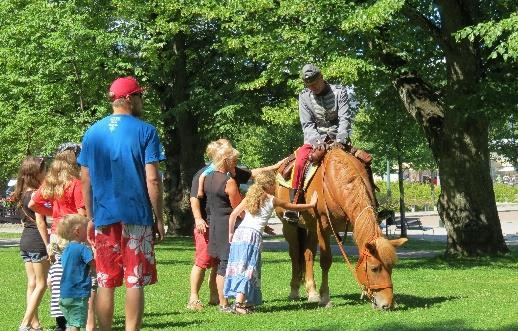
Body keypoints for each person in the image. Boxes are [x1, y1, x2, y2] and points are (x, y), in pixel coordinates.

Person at [77, 76, 165, 330]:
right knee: (134, 280)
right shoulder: (146, 131)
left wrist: (91, 216)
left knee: (105, 279)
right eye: (139, 95)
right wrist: (158, 218)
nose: (141, 101)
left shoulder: (93, 132)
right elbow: (153, 179)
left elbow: (85, 179)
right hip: (136, 215)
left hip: (105, 217)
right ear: (128, 98)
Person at [187, 139, 281, 311]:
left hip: (213, 223)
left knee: (218, 263)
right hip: (220, 225)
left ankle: (218, 298)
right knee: (219, 263)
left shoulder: (207, 177)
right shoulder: (227, 181)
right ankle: (217, 302)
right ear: (225, 160)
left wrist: (275, 166)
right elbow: (238, 208)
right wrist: (254, 222)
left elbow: (251, 173)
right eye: (234, 160)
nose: (236, 164)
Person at [224, 171, 317, 314]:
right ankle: (238, 305)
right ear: (268, 185)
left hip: (240, 234)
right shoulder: (271, 199)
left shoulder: (250, 197)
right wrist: (311, 204)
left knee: (239, 267)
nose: (276, 186)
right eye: (274, 184)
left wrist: (231, 233)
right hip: (252, 236)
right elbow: (291, 206)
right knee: (248, 269)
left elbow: (233, 215)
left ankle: (245, 302)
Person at [29, 143, 97, 331]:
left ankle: (62, 318)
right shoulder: (75, 183)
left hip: (56, 235)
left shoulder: (52, 182)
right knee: (80, 276)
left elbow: (34, 203)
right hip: (73, 234)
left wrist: (55, 216)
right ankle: (77, 319)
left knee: (59, 276)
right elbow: (82, 213)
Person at [287, 63, 358, 216]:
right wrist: (318, 144)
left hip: (338, 138)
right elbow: (307, 124)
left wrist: (340, 139)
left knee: (363, 162)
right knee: (299, 162)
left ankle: (373, 205)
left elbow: (344, 118)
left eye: (315, 83)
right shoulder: (304, 97)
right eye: (309, 85)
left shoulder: (340, 92)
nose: (313, 87)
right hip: (315, 140)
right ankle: (294, 206)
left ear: (322, 77)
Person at [12, 156, 49, 331]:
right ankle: (25, 323)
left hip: (25, 241)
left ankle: (35, 324)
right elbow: (41, 223)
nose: (46, 173)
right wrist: (48, 244)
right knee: (42, 284)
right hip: (37, 241)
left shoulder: (21, 193)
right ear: (36, 173)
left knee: (32, 283)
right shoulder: (35, 194)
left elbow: (23, 222)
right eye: (44, 170)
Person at [57, 214, 95, 331]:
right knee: (76, 325)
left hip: (65, 294)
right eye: (86, 228)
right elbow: (93, 264)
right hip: (78, 294)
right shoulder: (83, 249)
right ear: (77, 231)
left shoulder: (66, 250)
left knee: (70, 323)